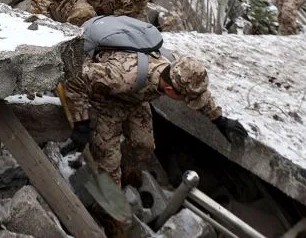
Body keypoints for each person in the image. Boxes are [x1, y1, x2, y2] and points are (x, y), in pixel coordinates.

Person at [64, 23, 247, 194]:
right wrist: (81, 120)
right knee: (109, 169)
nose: (185, 102)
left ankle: (122, 165)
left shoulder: (175, 68)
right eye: (183, 99)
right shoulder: (124, 75)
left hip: (135, 99)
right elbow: (73, 77)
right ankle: (103, 184)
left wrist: (219, 120)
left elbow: (196, 92)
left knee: (144, 146)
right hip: (106, 100)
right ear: (169, 90)